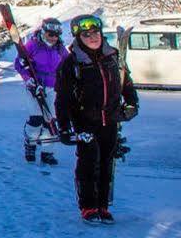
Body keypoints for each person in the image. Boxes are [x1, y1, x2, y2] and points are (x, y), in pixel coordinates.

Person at [54, 13, 138, 223]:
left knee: (107, 162)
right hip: (85, 121)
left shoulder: (113, 57)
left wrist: (131, 104)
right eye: (86, 35)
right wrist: (64, 127)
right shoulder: (71, 63)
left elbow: (125, 83)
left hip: (110, 119)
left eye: (95, 33)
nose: (93, 37)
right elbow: (62, 98)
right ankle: (89, 206)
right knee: (89, 163)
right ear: (78, 38)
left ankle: (103, 205)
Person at [18, 16, 69, 92]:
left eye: (56, 35)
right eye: (51, 34)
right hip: (39, 88)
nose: (54, 38)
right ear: (43, 32)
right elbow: (19, 63)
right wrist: (27, 78)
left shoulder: (59, 47)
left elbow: (69, 63)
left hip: (58, 88)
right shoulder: (32, 44)